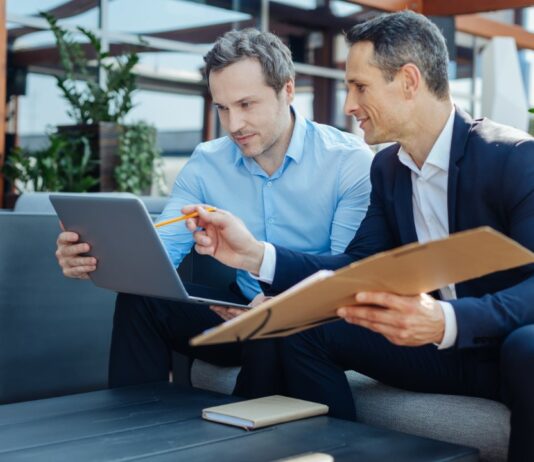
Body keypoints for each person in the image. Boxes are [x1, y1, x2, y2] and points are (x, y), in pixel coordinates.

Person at [185, 12, 534, 461]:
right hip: (436, 348)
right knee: (307, 330)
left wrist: (449, 321)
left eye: (360, 87)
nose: (348, 104)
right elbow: (357, 267)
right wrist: (256, 255)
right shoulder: (388, 169)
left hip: (505, 347)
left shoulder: (514, 159)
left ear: (409, 81)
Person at [55, 28, 373, 397]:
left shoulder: (348, 162)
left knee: (273, 327)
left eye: (246, 104)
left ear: (287, 90)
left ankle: (243, 441)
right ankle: (134, 434)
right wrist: (95, 257)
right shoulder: (207, 162)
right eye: (222, 107)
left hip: (311, 320)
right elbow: (158, 257)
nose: (233, 124)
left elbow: (344, 275)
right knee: (141, 301)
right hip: (235, 310)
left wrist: (272, 308)